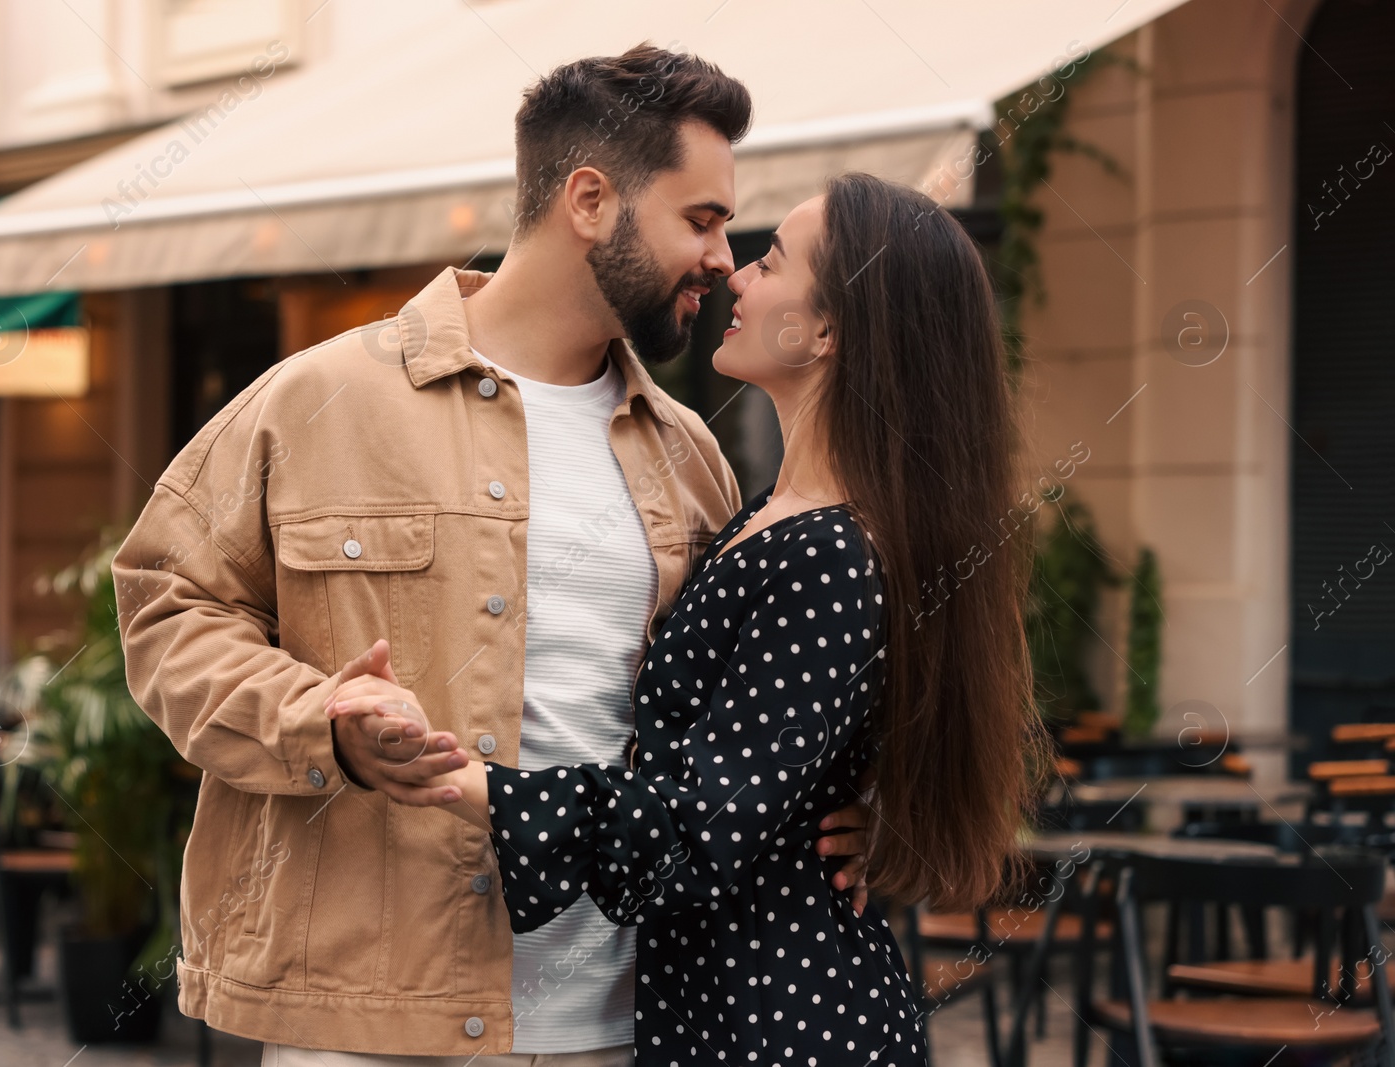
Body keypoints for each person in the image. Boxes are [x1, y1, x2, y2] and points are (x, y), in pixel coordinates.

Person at [113, 44, 875, 1065]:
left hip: (628, 1014)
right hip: (373, 1022)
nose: (722, 258)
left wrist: (860, 810)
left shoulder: (691, 455)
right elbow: (167, 606)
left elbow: (742, 716)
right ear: (591, 200)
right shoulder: (316, 398)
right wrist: (319, 720)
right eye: (700, 218)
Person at [326, 172, 1045, 1066]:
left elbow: (694, 836)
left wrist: (467, 783)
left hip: (778, 1023)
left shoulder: (825, 550)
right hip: (734, 1004)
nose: (738, 275)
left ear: (829, 329)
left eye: (773, 261)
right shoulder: (766, 516)